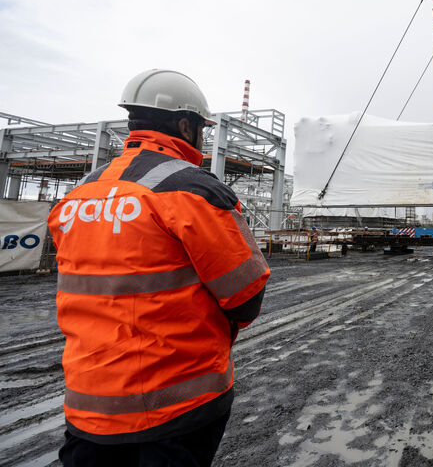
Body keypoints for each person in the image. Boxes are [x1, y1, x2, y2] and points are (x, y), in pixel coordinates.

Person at [49, 69, 270, 466]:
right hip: (175, 408)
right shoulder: (193, 191)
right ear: (186, 126)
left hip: (88, 405)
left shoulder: (78, 195)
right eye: (201, 129)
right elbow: (246, 297)